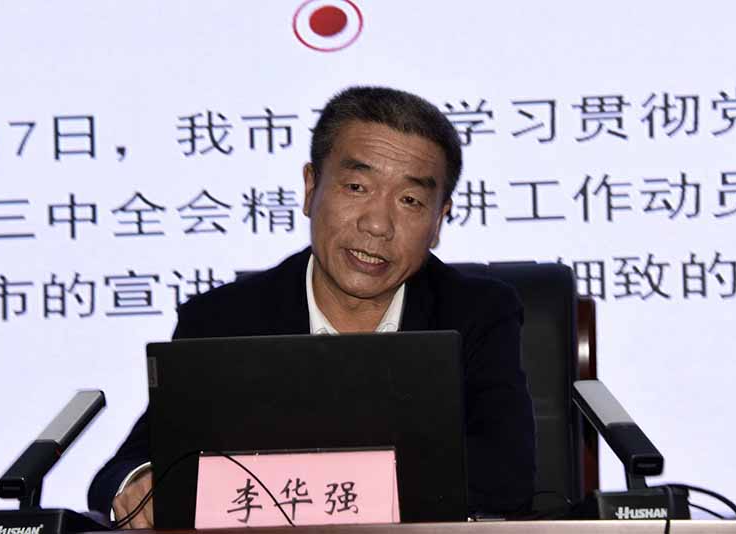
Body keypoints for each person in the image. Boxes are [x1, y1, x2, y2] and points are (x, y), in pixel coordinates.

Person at [88, 86, 535, 526]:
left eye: (410, 201)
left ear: (438, 221)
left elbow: (506, 476)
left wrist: (303, 488)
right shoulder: (222, 319)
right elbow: (126, 468)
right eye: (357, 187)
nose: (378, 224)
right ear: (310, 188)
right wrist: (141, 481)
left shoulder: (476, 315)